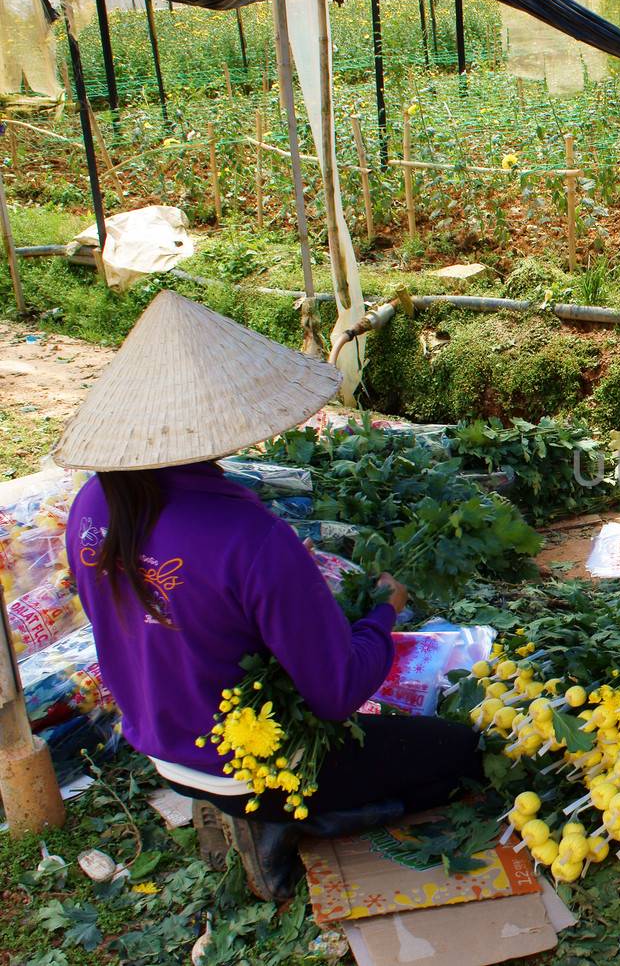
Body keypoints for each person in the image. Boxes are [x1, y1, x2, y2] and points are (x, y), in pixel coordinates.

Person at [55, 291, 484, 900]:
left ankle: (267, 817)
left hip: (159, 743)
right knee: (461, 750)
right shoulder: (248, 537)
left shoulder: (92, 505)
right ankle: (290, 829)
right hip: (252, 771)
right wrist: (383, 612)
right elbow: (336, 693)